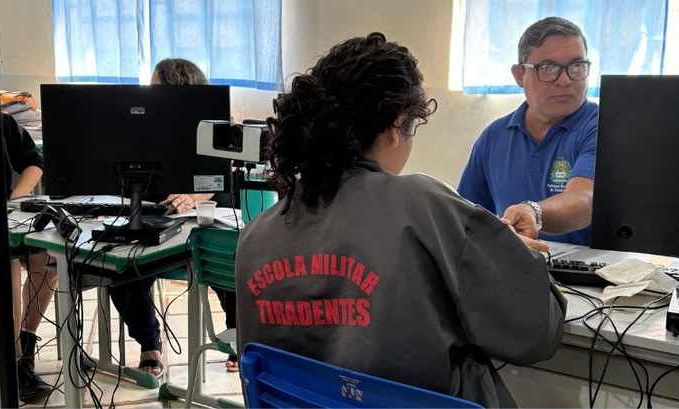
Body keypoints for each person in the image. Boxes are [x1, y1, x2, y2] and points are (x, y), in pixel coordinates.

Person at [234, 32, 567, 407]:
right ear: (398, 125)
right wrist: (515, 254)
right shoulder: (426, 207)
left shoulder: (256, 234)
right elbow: (537, 332)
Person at [108, 58, 238, 376]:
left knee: (231, 264)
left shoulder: (214, 127)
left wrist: (192, 197)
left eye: (156, 88)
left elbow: (220, 177)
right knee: (121, 271)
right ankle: (149, 343)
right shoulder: (142, 128)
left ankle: (238, 336)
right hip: (160, 219)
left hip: (206, 217)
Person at [458, 17, 597, 247]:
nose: (565, 80)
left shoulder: (600, 128)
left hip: (592, 269)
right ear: (519, 75)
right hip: (513, 265)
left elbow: (585, 200)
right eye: (548, 68)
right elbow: (465, 219)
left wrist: (534, 212)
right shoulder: (494, 137)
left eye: (576, 66)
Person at [3, 112, 58, 402]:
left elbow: (35, 163)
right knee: (8, 265)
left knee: (49, 259)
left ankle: (25, 345)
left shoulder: (1, 121)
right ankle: (13, 363)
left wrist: (13, 200)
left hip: (5, 215)